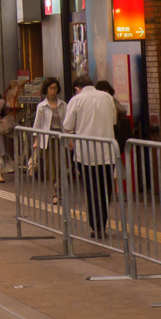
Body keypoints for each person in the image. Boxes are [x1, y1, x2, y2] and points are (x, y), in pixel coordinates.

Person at [62, 75, 122, 240]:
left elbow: (67, 126)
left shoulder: (76, 100)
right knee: (105, 190)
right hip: (107, 153)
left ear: (77, 88)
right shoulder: (108, 98)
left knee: (91, 189)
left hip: (86, 154)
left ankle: (95, 226)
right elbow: (114, 121)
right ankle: (102, 224)